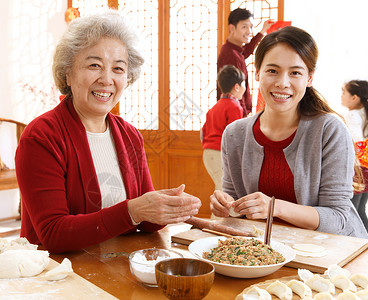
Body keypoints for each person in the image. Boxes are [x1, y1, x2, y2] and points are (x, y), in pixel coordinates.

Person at [15, 10, 201, 253]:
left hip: (118, 268)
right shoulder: (42, 136)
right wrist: (133, 210)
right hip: (58, 276)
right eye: (94, 65)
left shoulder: (129, 135)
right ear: (68, 74)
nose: (106, 79)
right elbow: (53, 234)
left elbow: (143, 223)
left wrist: (160, 208)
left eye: (118, 69)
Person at [210, 26, 368, 239]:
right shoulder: (234, 134)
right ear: (256, 73)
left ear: (309, 78)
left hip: (332, 257)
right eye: (272, 70)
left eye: (295, 73)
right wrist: (225, 206)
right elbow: (235, 210)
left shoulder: (330, 130)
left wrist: (275, 207)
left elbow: (338, 218)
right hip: (266, 254)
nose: (282, 83)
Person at [216, 8, 273, 116]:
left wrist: (263, 30)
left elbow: (247, 50)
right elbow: (235, 90)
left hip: (236, 111)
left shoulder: (234, 50)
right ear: (232, 28)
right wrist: (243, 115)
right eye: (244, 27)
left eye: (251, 27)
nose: (249, 31)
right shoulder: (231, 54)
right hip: (236, 113)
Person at [202, 65, 245, 191]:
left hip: (208, 153)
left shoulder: (214, 108)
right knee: (227, 192)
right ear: (236, 87)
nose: (245, 89)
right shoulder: (235, 107)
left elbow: (203, 132)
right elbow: (234, 136)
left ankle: (217, 212)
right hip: (220, 154)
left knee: (221, 189)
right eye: (244, 85)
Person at [341, 79, 368, 235]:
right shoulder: (366, 112)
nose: (341, 96)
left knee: (353, 211)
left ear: (354, 97)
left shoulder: (352, 115)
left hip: (358, 168)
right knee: (360, 209)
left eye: (344, 92)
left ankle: (359, 244)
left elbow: (356, 142)